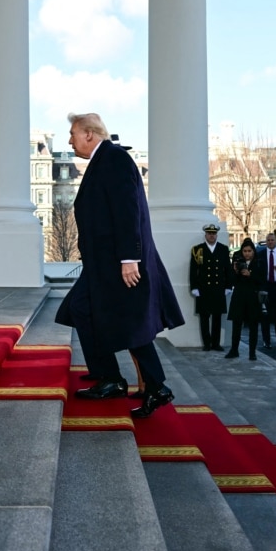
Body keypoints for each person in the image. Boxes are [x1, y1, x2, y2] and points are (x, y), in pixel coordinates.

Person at [55, 112, 184, 418]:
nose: (69, 139)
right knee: (82, 309)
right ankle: (111, 377)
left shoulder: (114, 159)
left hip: (119, 263)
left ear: (89, 134)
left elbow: (128, 212)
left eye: (73, 133)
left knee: (130, 323)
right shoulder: (104, 160)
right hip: (103, 264)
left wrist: (130, 259)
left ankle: (153, 386)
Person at [189, 223, 233, 351]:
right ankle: (207, 344)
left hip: (219, 288)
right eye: (209, 233)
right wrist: (194, 287)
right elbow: (193, 270)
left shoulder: (223, 249)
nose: (211, 236)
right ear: (205, 235)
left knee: (217, 317)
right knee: (204, 317)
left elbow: (228, 270)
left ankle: (216, 343)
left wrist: (228, 286)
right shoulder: (198, 250)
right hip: (203, 289)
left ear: (216, 235)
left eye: (213, 233)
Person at [225, 238, 263, 360]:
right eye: (244, 251)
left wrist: (250, 274)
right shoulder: (237, 262)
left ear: (253, 251)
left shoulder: (259, 262)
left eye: (249, 251)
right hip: (239, 297)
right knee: (236, 324)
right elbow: (232, 281)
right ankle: (234, 349)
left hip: (252, 297)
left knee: (253, 326)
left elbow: (262, 280)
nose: (247, 253)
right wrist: (235, 272)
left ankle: (252, 352)